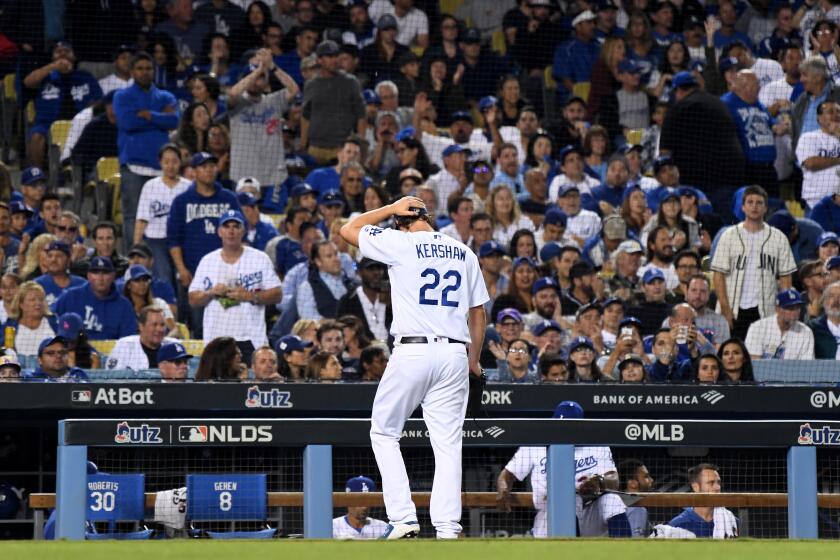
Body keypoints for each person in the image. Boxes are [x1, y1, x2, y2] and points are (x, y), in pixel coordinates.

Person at [339, 195, 488, 539]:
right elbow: (478, 312)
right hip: (454, 354)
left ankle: (404, 518)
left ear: (401, 221)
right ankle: (448, 528)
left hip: (414, 351)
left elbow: (349, 228)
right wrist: (474, 359)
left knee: (384, 432)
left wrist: (390, 207)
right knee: (448, 444)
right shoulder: (463, 251)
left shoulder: (401, 242)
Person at [496, 400, 630, 538]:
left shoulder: (596, 444)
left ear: (581, 427)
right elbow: (507, 475)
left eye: (567, 427)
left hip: (589, 512)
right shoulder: (535, 445)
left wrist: (600, 481)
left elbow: (614, 479)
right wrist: (503, 487)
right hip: (550, 515)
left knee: (612, 500)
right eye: (559, 425)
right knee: (570, 500)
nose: (561, 430)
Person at [189, 210, 282, 365]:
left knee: (252, 386)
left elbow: (277, 294)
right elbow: (193, 299)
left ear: (243, 230)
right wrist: (211, 292)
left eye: (236, 226)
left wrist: (251, 296)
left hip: (251, 338)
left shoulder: (259, 258)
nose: (231, 231)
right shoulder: (208, 261)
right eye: (226, 226)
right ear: (219, 231)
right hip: (217, 340)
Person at [711, 185, 797, 341]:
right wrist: (725, 309)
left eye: (759, 202)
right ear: (743, 207)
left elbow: (786, 278)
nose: (754, 206)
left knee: (762, 358)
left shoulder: (779, 238)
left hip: (765, 311)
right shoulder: (728, 236)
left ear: (766, 208)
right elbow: (718, 275)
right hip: (733, 309)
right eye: (750, 202)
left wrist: (784, 309)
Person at [113, 52, 179, 248]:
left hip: (161, 170)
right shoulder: (122, 95)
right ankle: (131, 259)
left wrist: (148, 115)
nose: (144, 72)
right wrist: (160, 118)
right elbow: (127, 122)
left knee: (165, 216)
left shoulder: (166, 95)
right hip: (134, 167)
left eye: (148, 68)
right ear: (132, 71)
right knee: (133, 215)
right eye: (140, 68)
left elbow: (174, 121)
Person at [659, 71, 745, 209]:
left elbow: (665, 155)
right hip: (731, 177)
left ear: (678, 90)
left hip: (697, 184)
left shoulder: (678, 109)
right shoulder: (719, 103)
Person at [228, 48, 300, 198]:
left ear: (267, 82)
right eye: (251, 76)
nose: (255, 81)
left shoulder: (274, 102)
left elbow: (294, 90)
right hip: (243, 176)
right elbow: (233, 93)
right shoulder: (237, 103)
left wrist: (272, 67)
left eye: (261, 77)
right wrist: (259, 69)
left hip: (273, 175)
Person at [23, 41, 102, 169]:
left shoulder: (85, 77)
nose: (63, 54)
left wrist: (89, 109)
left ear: (74, 57)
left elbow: (99, 100)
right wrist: (52, 67)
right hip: (47, 124)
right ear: (52, 57)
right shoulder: (45, 76)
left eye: (67, 51)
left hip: (79, 123)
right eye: (58, 52)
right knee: (36, 136)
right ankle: (37, 174)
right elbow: (28, 82)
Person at [301, 41, 366, 166]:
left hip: (341, 148)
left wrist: (360, 144)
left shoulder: (350, 82)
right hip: (316, 148)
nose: (335, 60)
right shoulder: (311, 84)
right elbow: (306, 115)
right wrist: (303, 144)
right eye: (330, 56)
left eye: (336, 56)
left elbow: (361, 114)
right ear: (320, 60)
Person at [134, 144, 191, 283]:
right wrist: (136, 246)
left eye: (174, 161)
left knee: (183, 278)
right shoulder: (150, 186)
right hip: (156, 240)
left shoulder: (188, 187)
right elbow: (142, 218)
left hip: (181, 240)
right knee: (163, 277)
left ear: (180, 162)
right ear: (160, 163)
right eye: (166, 162)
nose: (170, 166)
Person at [53, 257, 138, 341]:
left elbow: (128, 341)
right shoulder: (70, 297)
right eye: (96, 273)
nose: (100, 278)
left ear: (113, 276)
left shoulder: (124, 306)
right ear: (88, 275)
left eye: (105, 273)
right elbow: (52, 319)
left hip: (111, 353)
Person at [663, 464, 738, 538]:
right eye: (711, 483)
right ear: (696, 487)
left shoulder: (731, 521)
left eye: (718, 482)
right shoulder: (678, 524)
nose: (717, 487)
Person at [744, 289, 815, 359]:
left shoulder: (805, 332)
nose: (794, 313)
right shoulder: (758, 328)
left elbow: (806, 365)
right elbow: (754, 363)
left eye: (797, 308)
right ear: (777, 309)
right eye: (790, 308)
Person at [796, 100, 840, 209]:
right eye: (830, 112)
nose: (836, 115)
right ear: (819, 118)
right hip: (816, 203)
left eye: (838, 111)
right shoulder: (808, 138)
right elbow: (811, 164)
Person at [336, 258, 392, 342]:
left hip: (393, 349)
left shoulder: (391, 297)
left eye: (379, 268)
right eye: (370, 268)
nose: (376, 272)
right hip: (363, 351)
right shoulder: (348, 301)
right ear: (359, 272)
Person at [106, 307, 176, 371]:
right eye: (154, 324)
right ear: (141, 326)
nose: (159, 329)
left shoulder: (173, 346)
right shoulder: (124, 346)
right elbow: (110, 378)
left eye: (162, 325)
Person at [3, 281, 57, 357]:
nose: (38, 303)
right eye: (32, 300)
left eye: (41, 299)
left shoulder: (53, 322)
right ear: (21, 304)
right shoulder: (10, 325)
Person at [34, 240, 86, 308]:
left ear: (68, 261)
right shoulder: (37, 285)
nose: (53, 260)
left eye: (59, 256)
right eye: (50, 256)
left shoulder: (82, 284)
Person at [21, 336, 89, 383]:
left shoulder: (78, 374)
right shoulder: (30, 379)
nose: (58, 356)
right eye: (51, 353)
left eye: (62, 352)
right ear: (40, 360)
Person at [619, 459, 654, 537]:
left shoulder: (616, 502)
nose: (651, 480)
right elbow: (636, 543)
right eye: (646, 477)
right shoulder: (637, 509)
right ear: (633, 483)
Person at [809, 280, 840, 358]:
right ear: (824, 301)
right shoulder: (813, 328)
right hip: (825, 369)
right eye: (831, 296)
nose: (836, 300)